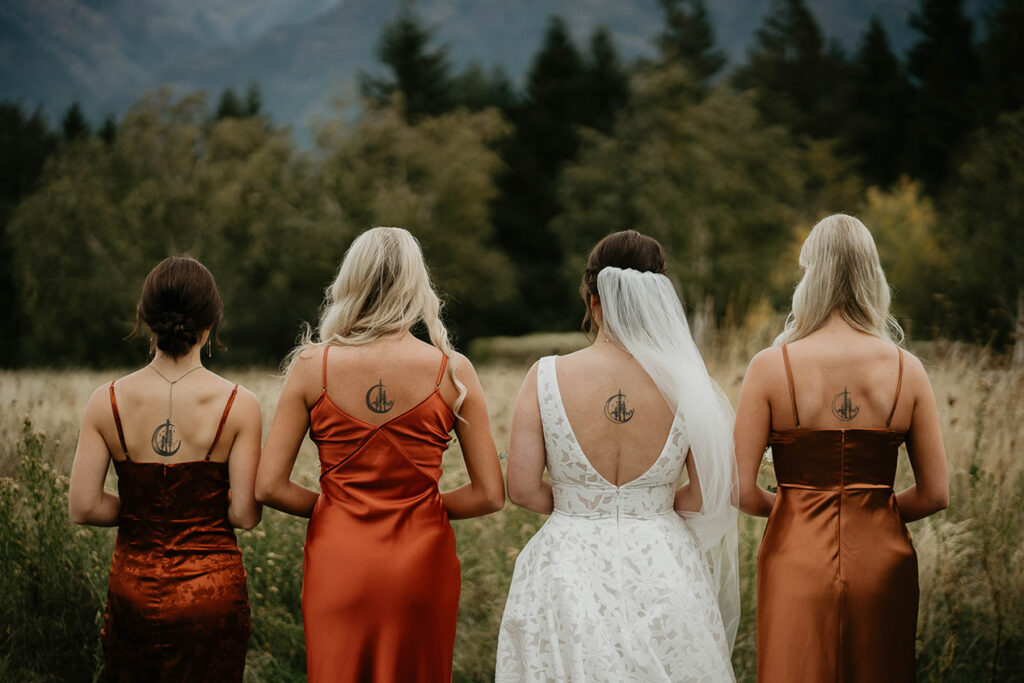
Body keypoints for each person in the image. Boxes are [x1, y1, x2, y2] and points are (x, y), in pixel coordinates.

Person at [256, 226, 505, 682]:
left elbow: (268, 485)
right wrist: (419, 507)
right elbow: (490, 495)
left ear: (350, 282)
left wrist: (339, 508)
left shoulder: (313, 366)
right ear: (417, 286)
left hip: (339, 558)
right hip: (421, 562)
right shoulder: (453, 371)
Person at [497, 230, 739, 682]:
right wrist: (652, 508)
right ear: (658, 299)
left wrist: (582, 507)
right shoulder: (687, 384)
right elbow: (709, 494)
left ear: (593, 300)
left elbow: (523, 489)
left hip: (565, 563)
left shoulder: (545, 376)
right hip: (662, 563)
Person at [734, 214, 949, 682]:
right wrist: (872, 510)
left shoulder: (771, 367)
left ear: (810, 276)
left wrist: (796, 509)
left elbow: (740, 490)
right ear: (873, 276)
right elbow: (935, 494)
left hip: (794, 555)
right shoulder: (907, 369)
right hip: (882, 559)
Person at [68, 255, 262, 682]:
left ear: (145, 320)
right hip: (213, 595)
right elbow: (245, 516)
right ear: (210, 324)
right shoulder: (240, 405)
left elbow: (83, 507)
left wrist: (146, 508)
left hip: (134, 591)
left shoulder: (107, 400)